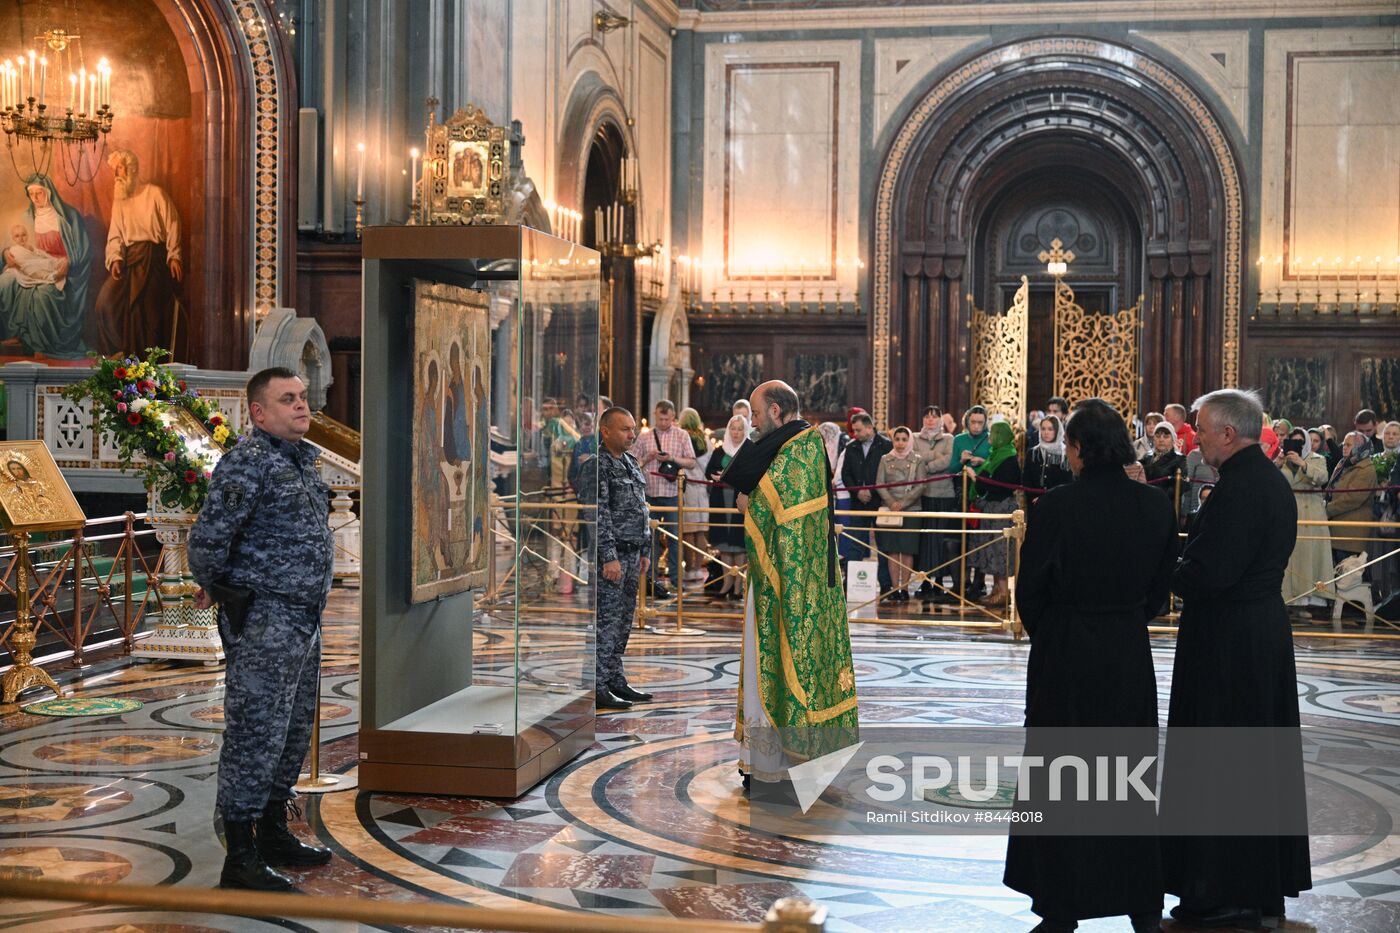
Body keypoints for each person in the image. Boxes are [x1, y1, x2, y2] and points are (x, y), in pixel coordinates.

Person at [1005, 397, 1177, 933]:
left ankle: (1061, 909)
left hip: (1066, 655)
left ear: (1078, 449)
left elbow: (1029, 593)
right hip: (1127, 651)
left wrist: (1057, 632)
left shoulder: (1056, 506)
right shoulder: (1154, 506)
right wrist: (1124, 618)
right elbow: (1159, 592)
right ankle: (1142, 907)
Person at [1161, 388, 1311, 927]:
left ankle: (1224, 889)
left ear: (1228, 432)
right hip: (1254, 635)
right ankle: (1253, 886)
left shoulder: (1241, 490)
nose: (1194, 436)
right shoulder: (1261, 481)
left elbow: (1208, 573)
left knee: (1223, 760)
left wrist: (1164, 570)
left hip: (1229, 642)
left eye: (1200, 427)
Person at [187, 368, 334, 891]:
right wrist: (222, 589)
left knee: (292, 729)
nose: (301, 405)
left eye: (302, 397)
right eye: (288, 399)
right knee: (254, 733)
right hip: (267, 619)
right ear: (258, 412)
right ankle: (241, 856)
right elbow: (207, 541)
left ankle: (272, 829)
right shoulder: (248, 462)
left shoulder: (301, 461)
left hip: (303, 620)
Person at [723, 380, 858, 794]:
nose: (755, 423)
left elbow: (779, 504)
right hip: (774, 576)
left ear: (778, 411)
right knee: (764, 662)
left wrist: (747, 503)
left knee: (786, 662)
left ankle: (779, 765)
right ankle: (761, 761)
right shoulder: (785, 444)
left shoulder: (803, 444)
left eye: (759, 415)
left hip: (795, 583)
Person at [575, 407, 653, 711]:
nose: (632, 434)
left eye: (633, 429)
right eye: (625, 429)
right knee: (605, 622)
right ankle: (596, 684)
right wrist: (608, 557)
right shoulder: (597, 465)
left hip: (633, 554)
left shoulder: (631, 463)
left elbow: (641, 508)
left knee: (622, 621)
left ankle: (614, 678)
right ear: (605, 431)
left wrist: (645, 551)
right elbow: (598, 516)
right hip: (613, 556)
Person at [95, 149, 184, 356]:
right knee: (104, 303)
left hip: (153, 258)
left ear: (131, 168)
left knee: (147, 312)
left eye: (119, 167)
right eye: (114, 169)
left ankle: (146, 364)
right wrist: (115, 259)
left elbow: (173, 224)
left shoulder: (154, 193)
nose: (116, 173)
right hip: (129, 260)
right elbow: (115, 233)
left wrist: (174, 256)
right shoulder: (120, 200)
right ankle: (119, 355)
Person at [0, 174, 90, 359]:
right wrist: (5, 253)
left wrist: (69, 261)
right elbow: (12, 243)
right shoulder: (28, 216)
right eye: (31, 194)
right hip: (31, 264)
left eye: (39, 193)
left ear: (48, 192)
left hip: (59, 268)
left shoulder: (68, 217)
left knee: (42, 294)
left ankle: (39, 346)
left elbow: (84, 250)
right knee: (5, 281)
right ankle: (14, 334)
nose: (35, 198)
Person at [631, 399, 698, 598]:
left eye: (667, 419)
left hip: (671, 496)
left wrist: (671, 458)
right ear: (655, 415)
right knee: (649, 539)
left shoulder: (681, 435)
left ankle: (677, 582)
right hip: (650, 494)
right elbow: (633, 462)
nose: (663, 423)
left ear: (673, 417)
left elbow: (692, 463)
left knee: (675, 539)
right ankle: (650, 581)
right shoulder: (645, 437)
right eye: (660, 419)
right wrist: (648, 458)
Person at [964, 421, 1021, 607]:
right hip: (994, 508)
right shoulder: (997, 454)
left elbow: (992, 483)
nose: (989, 439)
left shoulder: (1008, 458)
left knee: (1000, 551)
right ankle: (996, 590)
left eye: (992, 436)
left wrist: (974, 476)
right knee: (992, 550)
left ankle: (1004, 593)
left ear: (1000, 437)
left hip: (1001, 509)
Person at [1277, 426, 1331, 619]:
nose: (1296, 445)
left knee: (1308, 557)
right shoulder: (1281, 461)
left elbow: (1323, 478)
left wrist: (1303, 464)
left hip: (1311, 514)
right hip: (1288, 511)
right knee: (1288, 557)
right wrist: (1277, 462)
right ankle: (1285, 600)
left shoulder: (1318, 459)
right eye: (1294, 441)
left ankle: (1306, 601)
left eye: (1301, 442)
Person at [840, 411, 894, 593]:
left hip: (880, 503)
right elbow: (845, 473)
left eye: (858, 430)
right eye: (854, 431)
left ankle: (886, 585)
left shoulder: (886, 446)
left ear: (870, 428)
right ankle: (851, 583)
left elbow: (891, 474)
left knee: (884, 545)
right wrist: (857, 492)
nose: (855, 434)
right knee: (855, 544)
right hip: (858, 503)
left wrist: (872, 491)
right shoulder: (851, 447)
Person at [875, 426, 925, 603]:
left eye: (904, 439)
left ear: (909, 440)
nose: (901, 443)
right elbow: (879, 483)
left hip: (911, 510)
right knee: (893, 552)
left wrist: (902, 503)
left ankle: (905, 588)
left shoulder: (917, 460)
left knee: (908, 551)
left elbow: (921, 485)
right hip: (890, 511)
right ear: (893, 440)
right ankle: (895, 588)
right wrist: (891, 503)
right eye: (897, 439)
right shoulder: (885, 459)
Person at [705, 414, 750, 598]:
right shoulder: (719, 451)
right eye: (733, 428)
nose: (736, 432)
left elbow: (750, 473)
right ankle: (726, 584)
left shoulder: (748, 450)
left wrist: (729, 476)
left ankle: (738, 587)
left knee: (738, 545)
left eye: (740, 429)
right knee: (724, 545)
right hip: (721, 499)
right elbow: (709, 472)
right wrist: (716, 477)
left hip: (740, 501)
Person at [913, 406, 955, 600]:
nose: (930, 420)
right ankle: (924, 578)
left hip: (943, 494)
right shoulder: (913, 438)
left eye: (934, 417)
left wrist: (927, 465)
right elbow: (913, 461)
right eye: (927, 416)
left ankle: (938, 580)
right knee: (924, 539)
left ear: (940, 420)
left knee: (939, 539)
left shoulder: (948, 439)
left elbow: (947, 461)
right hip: (922, 494)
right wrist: (932, 458)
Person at [1326, 431, 1376, 564]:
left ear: (1359, 448)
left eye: (1348, 445)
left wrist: (1325, 509)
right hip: (1335, 530)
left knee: (1347, 579)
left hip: (1350, 535)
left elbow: (1352, 499)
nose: (1344, 447)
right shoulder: (1343, 463)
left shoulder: (1366, 469)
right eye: (1343, 444)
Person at [677, 407, 714, 584]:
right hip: (703, 489)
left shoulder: (682, 438)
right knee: (701, 532)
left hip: (687, 488)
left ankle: (689, 568)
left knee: (689, 532)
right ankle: (699, 568)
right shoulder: (706, 440)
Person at [1141, 421, 1187, 517]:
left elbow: (1181, 486)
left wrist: (1157, 495)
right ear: (1153, 439)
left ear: (1173, 439)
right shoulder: (1148, 457)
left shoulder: (1179, 458)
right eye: (1157, 436)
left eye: (1166, 437)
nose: (1161, 440)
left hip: (1167, 506)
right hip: (1145, 504)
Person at [1024, 414, 1073, 505]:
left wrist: (1047, 499)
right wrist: (1034, 499)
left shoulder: (1066, 453)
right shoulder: (1033, 453)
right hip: (1035, 505)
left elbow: (1068, 482)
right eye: (1043, 429)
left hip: (1060, 504)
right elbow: (1027, 481)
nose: (1046, 432)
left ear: (1057, 431)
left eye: (1050, 429)